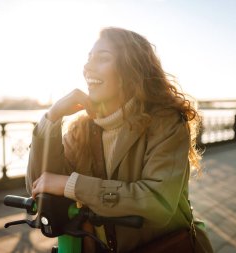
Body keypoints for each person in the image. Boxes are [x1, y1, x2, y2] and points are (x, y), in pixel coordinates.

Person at [26, 27, 213, 253]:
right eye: (88, 59)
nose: (87, 67)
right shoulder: (82, 128)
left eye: (102, 58)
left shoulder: (165, 121)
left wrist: (71, 185)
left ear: (131, 68)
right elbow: (39, 186)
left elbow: (157, 203)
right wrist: (51, 118)